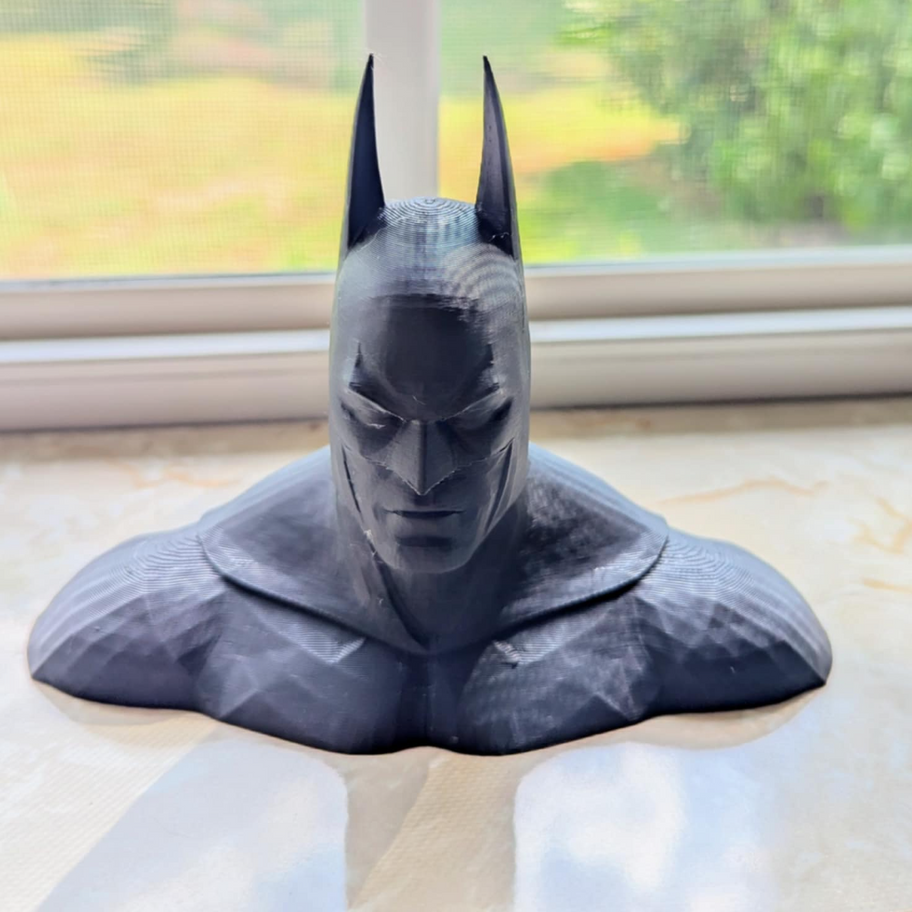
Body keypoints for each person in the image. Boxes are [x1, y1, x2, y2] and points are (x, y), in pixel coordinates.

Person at [28, 58, 831, 755]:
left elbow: (767, 635)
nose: (419, 475)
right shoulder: (171, 604)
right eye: (374, 419)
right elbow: (85, 634)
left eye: (475, 419)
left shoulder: (688, 609)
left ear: (524, 394)